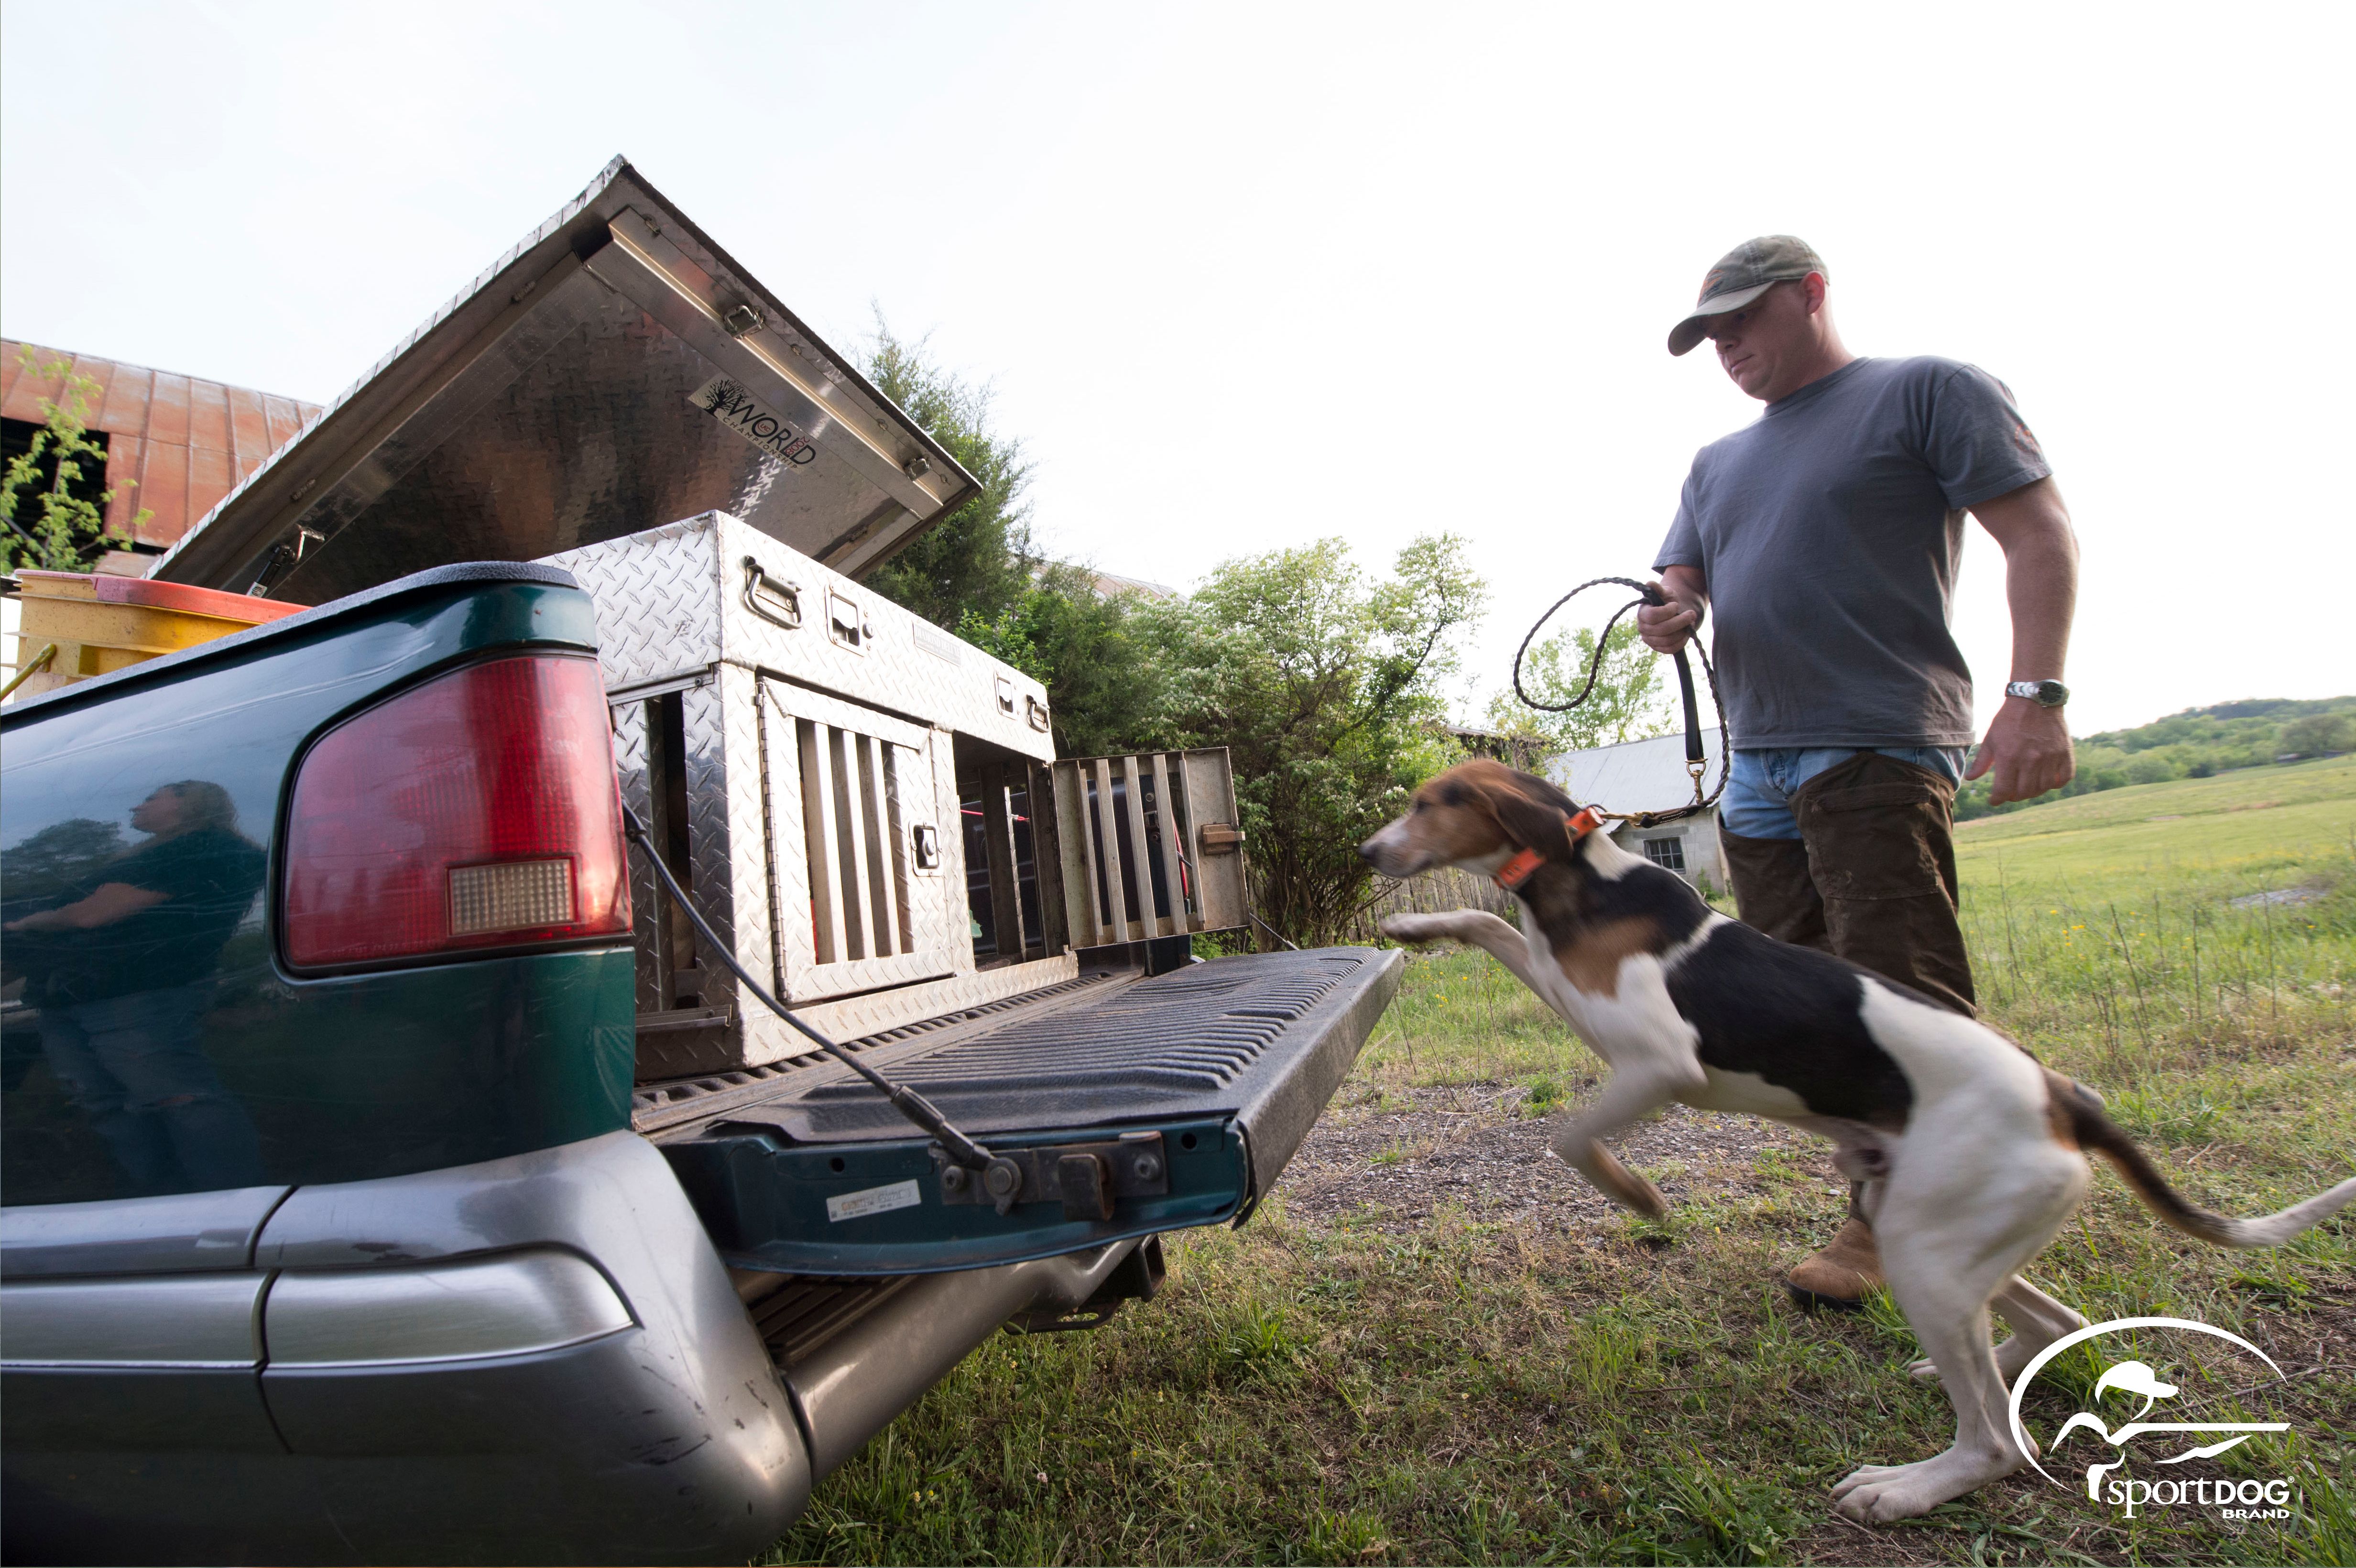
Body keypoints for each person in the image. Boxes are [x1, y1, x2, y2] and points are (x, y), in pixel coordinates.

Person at [1637, 236, 2079, 1308]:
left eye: (1743, 318)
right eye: (1710, 335)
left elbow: (2040, 535)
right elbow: (1678, 578)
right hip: (1757, 765)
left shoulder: (1927, 392)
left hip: (1875, 740)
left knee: (1906, 998)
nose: (1727, 345)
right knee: (1809, 1016)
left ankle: (1894, 1222)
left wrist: (2037, 696)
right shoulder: (1715, 461)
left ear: (1811, 295)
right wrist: (1673, 610)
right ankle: (2011, 1122)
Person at [5, 780, 268, 1193]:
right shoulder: (162, 853)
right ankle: (159, 1202)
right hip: (70, 998)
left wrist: (25, 924)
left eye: (151, 798)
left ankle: (227, 1202)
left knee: (177, 1098)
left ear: (190, 802)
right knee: (106, 1105)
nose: (137, 806)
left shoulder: (202, 849)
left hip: (136, 996)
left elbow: (93, 914)